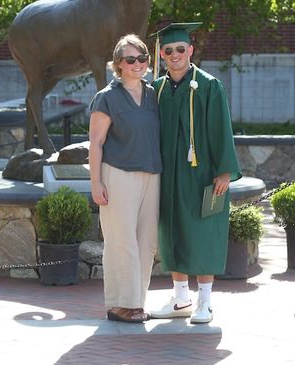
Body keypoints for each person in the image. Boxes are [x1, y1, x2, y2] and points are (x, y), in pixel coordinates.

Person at [149, 23, 242, 324]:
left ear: (190, 50)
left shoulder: (209, 86)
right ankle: (180, 299)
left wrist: (225, 172)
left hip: (202, 174)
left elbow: (221, 131)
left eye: (180, 49)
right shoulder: (156, 89)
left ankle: (205, 302)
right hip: (167, 174)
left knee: (203, 233)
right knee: (172, 231)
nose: (174, 54)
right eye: (168, 50)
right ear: (161, 55)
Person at [89, 34, 162, 323]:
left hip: (152, 174)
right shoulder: (106, 97)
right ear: (118, 64)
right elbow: (95, 142)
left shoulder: (154, 94)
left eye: (142, 58)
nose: (137, 64)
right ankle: (121, 305)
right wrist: (96, 183)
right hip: (118, 174)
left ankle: (136, 303)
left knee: (146, 243)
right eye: (130, 59)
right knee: (122, 242)